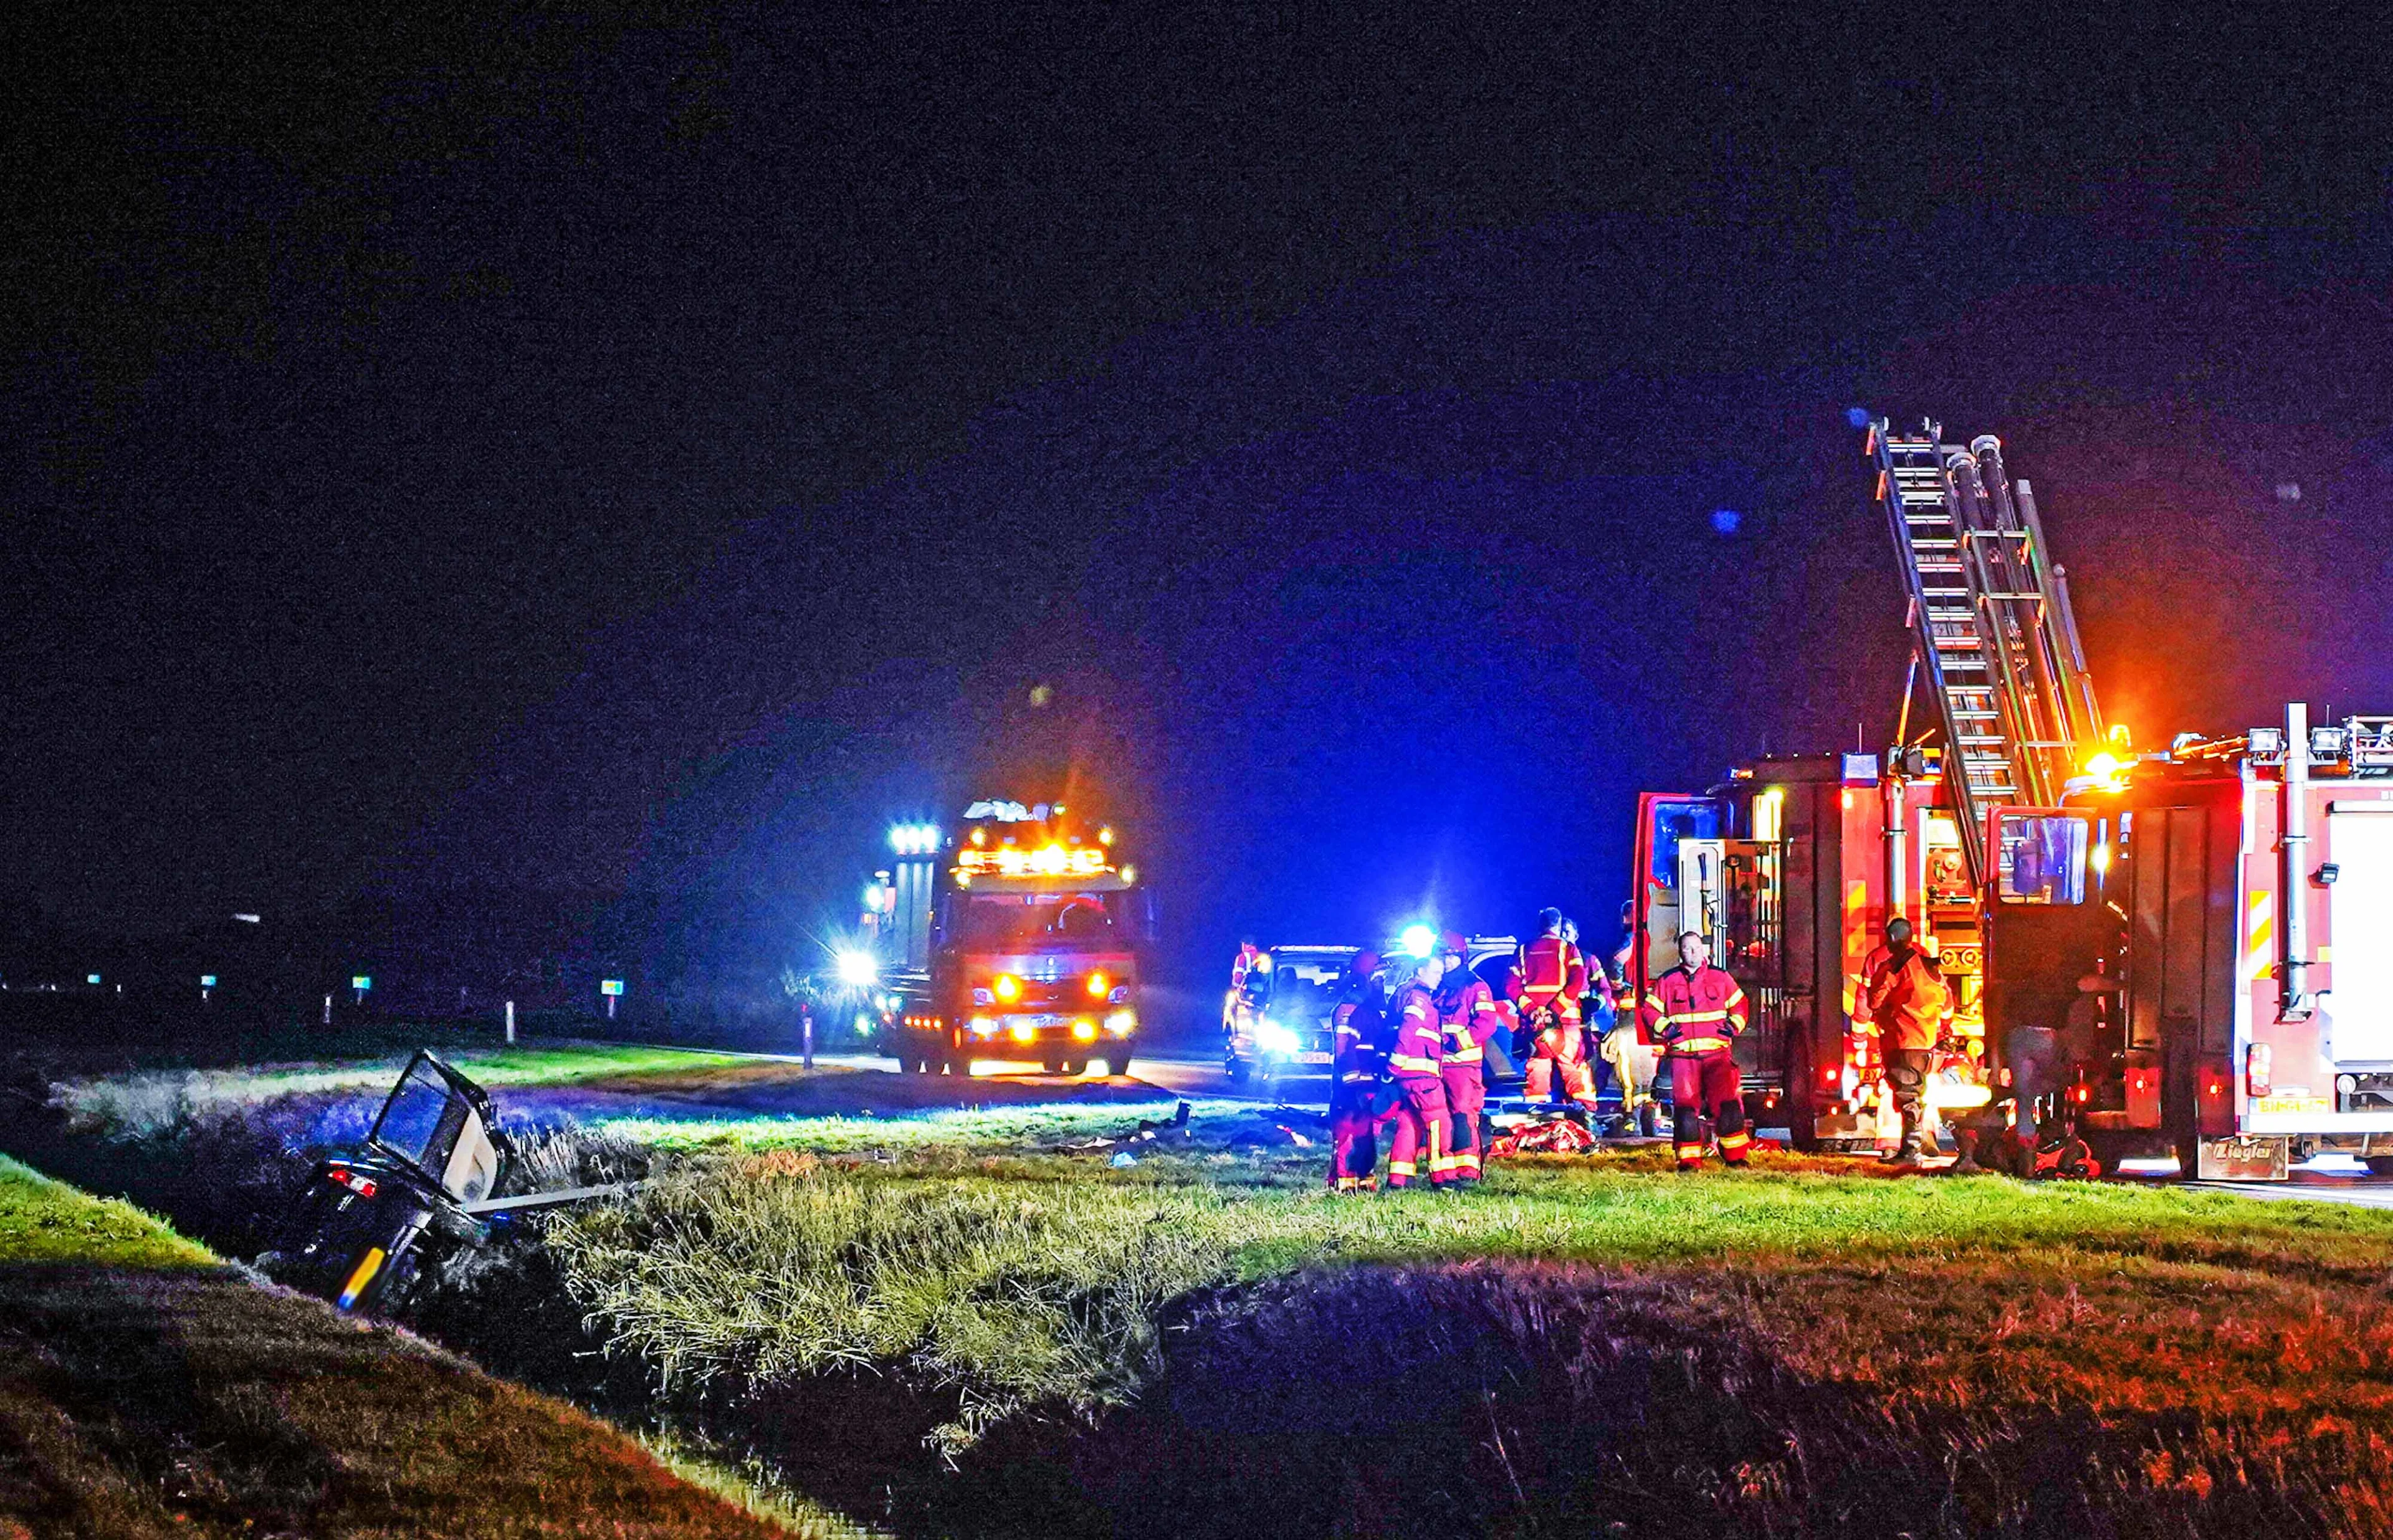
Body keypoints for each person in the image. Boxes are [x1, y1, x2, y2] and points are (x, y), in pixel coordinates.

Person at [1640, 930, 1752, 1171]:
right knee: (1685, 1111)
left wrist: (1734, 1026)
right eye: (1687, 949)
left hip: (1718, 1056)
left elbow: (1741, 1006)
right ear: (1680, 952)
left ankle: (1735, 1158)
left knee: (1728, 1107)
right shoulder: (1668, 981)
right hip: (1684, 1059)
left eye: (1696, 948)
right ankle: (1689, 1162)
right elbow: (1649, 1011)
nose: (1692, 953)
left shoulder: (1720, 978)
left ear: (1704, 950)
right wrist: (1667, 1029)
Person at [1858, 917, 1951, 1164]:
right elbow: (1947, 1003)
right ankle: (1911, 1147)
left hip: (1902, 1039)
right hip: (1926, 1042)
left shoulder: (1895, 966)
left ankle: (1911, 1151)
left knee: (1907, 1095)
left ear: (1891, 940)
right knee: (1916, 1093)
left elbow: (1875, 999)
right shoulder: (1930, 967)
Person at [1509, 907, 1598, 1112]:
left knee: (1538, 1069)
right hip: (1566, 1024)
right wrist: (1556, 1009)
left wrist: (1532, 1010)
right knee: (1574, 1068)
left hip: (1536, 1025)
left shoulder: (1523, 950)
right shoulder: (1568, 949)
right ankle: (1585, 1115)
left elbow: (1511, 986)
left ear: (1539, 926)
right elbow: (1578, 981)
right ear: (1558, 926)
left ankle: (1535, 1117)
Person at [1435, 933, 1502, 1184]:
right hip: (1437, 1065)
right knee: (1442, 1119)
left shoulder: (1476, 987)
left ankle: (1469, 1174)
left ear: (1460, 956)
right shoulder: (1438, 987)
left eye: (1448, 956)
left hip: (1463, 1066)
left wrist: (1455, 1042)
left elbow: (1486, 1024)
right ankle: (1446, 1173)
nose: (1444, 962)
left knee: (1463, 1116)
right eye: (1441, 956)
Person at [1385, 952, 1455, 1189]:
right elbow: (1409, 1029)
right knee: (1439, 1122)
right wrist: (1396, 1063)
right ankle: (1443, 1179)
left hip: (1406, 1077)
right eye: (1435, 973)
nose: (1439, 978)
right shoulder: (1419, 998)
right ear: (1420, 971)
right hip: (1421, 1075)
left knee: (1408, 1124)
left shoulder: (1403, 993)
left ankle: (1399, 1179)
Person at [1325, 950, 1390, 1192]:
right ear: (1367, 976)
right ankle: (1343, 1183)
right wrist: (1353, 1083)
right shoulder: (1348, 1009)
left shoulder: (1371, 1007)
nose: (1382, 982)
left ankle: (1363, 1182)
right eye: (1379, 976)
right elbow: (1344, 1050)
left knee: (1367, 1134)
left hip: (1368, 1080)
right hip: (1351, 1084)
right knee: (1347, 1131)